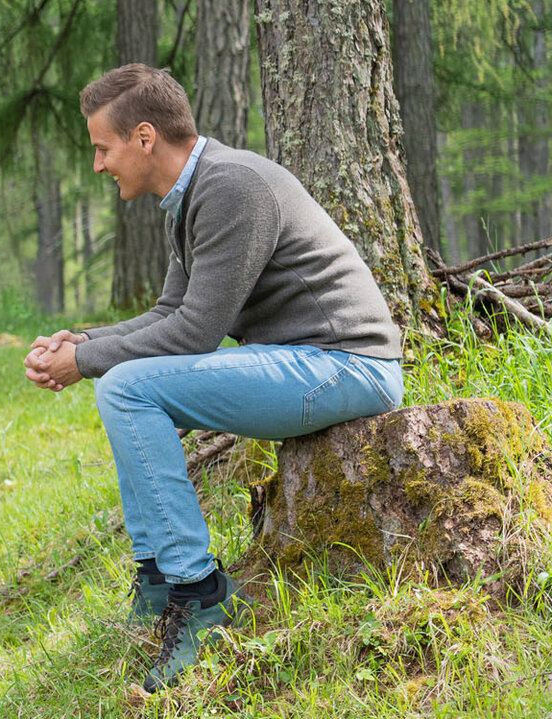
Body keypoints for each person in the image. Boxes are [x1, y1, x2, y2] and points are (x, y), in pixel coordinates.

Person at [23, 63, 405, 694]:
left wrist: (85, 363)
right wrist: (85, 341)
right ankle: (157, 578)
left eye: (102, 147)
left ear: (144, 137)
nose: (98, 165)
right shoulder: (194, 194)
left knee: (124, 385)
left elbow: (194, 335)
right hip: (307, 363)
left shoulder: (232, 187)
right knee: (121, 384)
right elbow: (171, 315)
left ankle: (198, 592)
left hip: (345, 366)